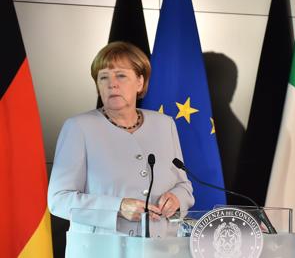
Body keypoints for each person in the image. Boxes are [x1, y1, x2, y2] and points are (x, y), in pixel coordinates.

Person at [48, 41, 194, 238]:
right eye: (104, 77)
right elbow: (59, 200)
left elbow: (183, 186)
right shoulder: (78, 127)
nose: (112, 83)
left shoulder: (164, 124)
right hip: (102, 248)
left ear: (140, 82)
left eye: (121, 75)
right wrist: (118, 207)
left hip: (161, 247)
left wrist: (176, 199)